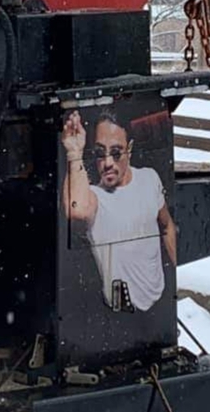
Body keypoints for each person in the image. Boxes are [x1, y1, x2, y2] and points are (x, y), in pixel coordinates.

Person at [61, 109, 176, 312]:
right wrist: (74, 153)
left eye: (116, 153)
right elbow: (77, 210)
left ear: (129, 149)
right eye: (100, 153)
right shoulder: (96, 197)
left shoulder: (149, 178)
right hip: (121, 310)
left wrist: (175, 273)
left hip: (159, 299)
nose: (107, 163)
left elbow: (167, 225)